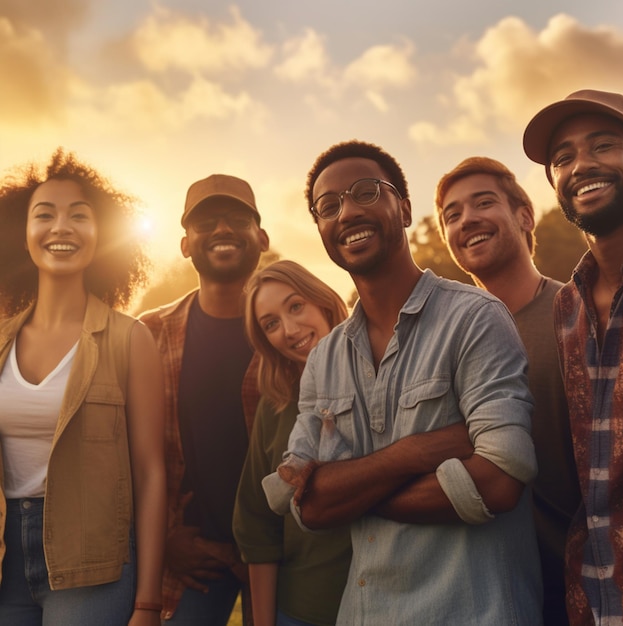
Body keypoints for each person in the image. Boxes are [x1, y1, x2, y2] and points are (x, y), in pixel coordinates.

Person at [263, 140, 543, 625]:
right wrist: (412, 455)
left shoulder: (474, 319)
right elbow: (306, 505)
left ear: (406, 209)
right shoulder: (325, 359)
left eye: (366, 191)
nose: (347, 211)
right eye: (328, 206)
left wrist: (353, 495)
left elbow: (499, 482)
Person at [0, 149, 167, 625]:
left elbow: (151, 473)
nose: (61, 228)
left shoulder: (129, 339)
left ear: (102, 234)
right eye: (44, 215)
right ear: (22, 232)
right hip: (4, 558)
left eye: (79, 216)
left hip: (93, 564)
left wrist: (149, 602)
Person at [433, 156, 581, 624]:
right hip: (489, 593)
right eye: (452, 215)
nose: (467, 219)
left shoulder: (577, 317)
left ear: (524, 215)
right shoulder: (448, 344)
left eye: (483, 203)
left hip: (579, 588)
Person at [140, 174, 269, 625]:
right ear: (184, 243)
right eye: (206, 222)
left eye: (237, 219)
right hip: (194, 558)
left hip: (285, 549)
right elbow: (129, 455)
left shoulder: (299, 330)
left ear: (262, 236)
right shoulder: (149, 333)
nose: (221, 230)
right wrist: (167, 537)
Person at [523, 88, 623, 625]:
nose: (580, 165)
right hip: (594, 599)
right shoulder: (567, 307)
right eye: (562, 158)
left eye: (604, 144)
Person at [233, 260, 352, 626]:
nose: (289, 329)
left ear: (323, 300)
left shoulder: (385, 375)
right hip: (305, 609)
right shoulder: (276, 404)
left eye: (295, 306)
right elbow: (256, 523)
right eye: (271, 324)